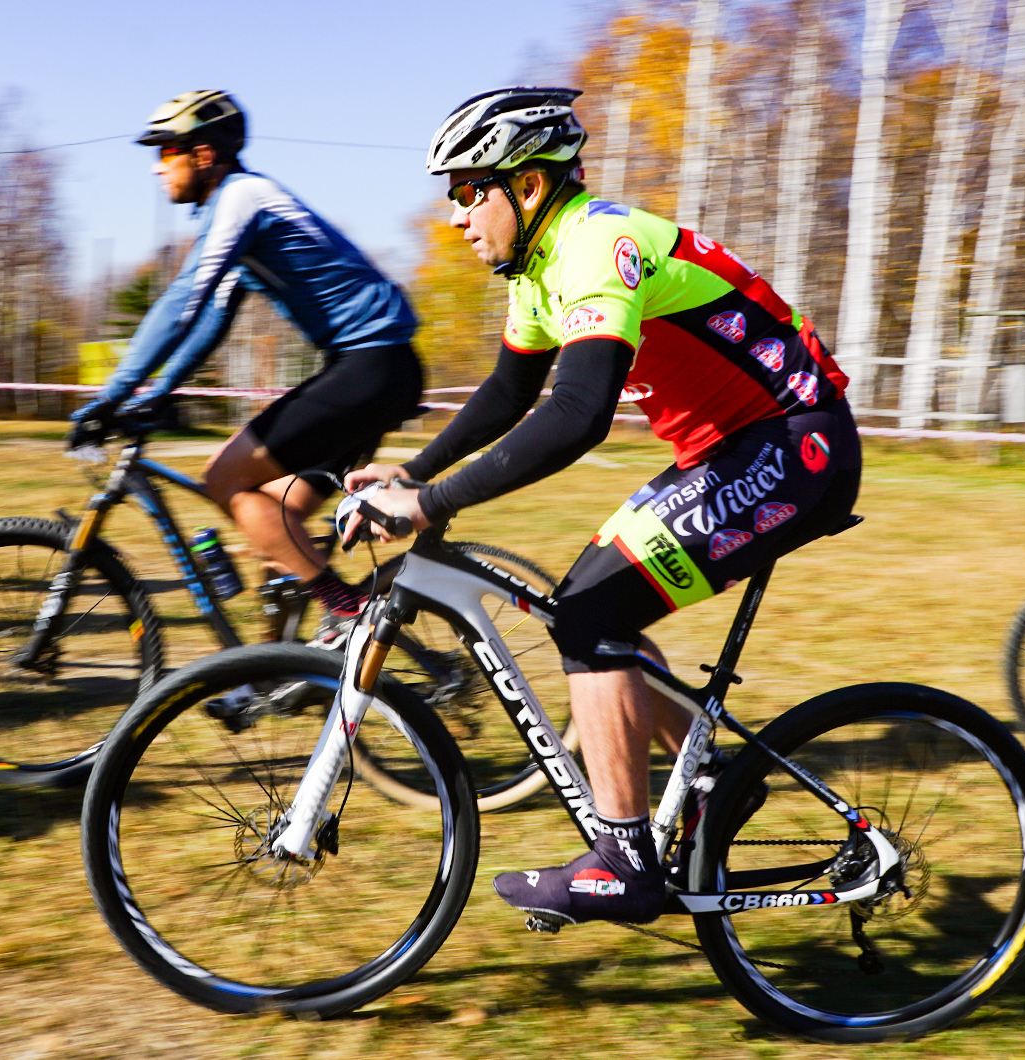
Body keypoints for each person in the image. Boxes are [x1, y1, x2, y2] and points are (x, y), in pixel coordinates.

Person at [347, 87, 861, 926]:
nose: (455, 215)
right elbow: (512, 390)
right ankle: (706, 787)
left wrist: (432, 502)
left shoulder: (597, 243)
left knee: (592, 611)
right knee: (580, 607)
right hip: (737, 451)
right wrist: (413, 474)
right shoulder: (541, 267)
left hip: (794, 445)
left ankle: (624, 861)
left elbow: (576, 415)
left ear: (530, 187)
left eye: (469, 189)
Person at [69, 90, 422, 618]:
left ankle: (348, 612)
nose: (156, 168)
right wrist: (158, 394)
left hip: (370, 366)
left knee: (225, 480)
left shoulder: (241, 199)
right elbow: (211, 320)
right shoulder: (239, 210)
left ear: (204, 154)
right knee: (275, 524)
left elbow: (183, 301)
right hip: (375, 369)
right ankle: (271, 683)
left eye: (166, 152)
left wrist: (112, 395)